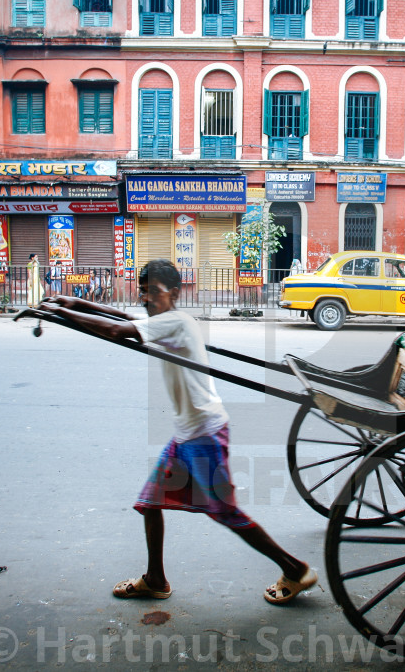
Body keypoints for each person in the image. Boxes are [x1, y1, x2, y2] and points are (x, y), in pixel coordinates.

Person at [39, 259, 316, 604]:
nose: (147, 299)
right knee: (150, 502)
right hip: (187, 434)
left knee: (227, 514)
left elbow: (114, 330)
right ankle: (155, 578)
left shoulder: (177, 322)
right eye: (143, 292)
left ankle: (294, 568)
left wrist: (64, 315)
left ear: (174, 292)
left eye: (154, 292)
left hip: (204, 437)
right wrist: (76, 303)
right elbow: (123, 319)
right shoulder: (164, 321)